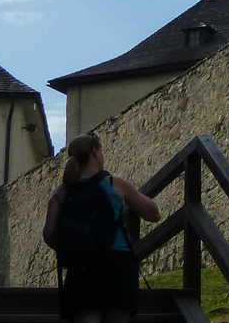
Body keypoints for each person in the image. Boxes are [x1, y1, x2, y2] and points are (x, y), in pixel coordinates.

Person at [42, 134, 162, 323]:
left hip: (81, 267)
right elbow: (153, 214)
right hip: (117, 263)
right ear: (96, 152)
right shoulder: (115, 184)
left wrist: (75, 246)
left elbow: (49, 235)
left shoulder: (61, 192)